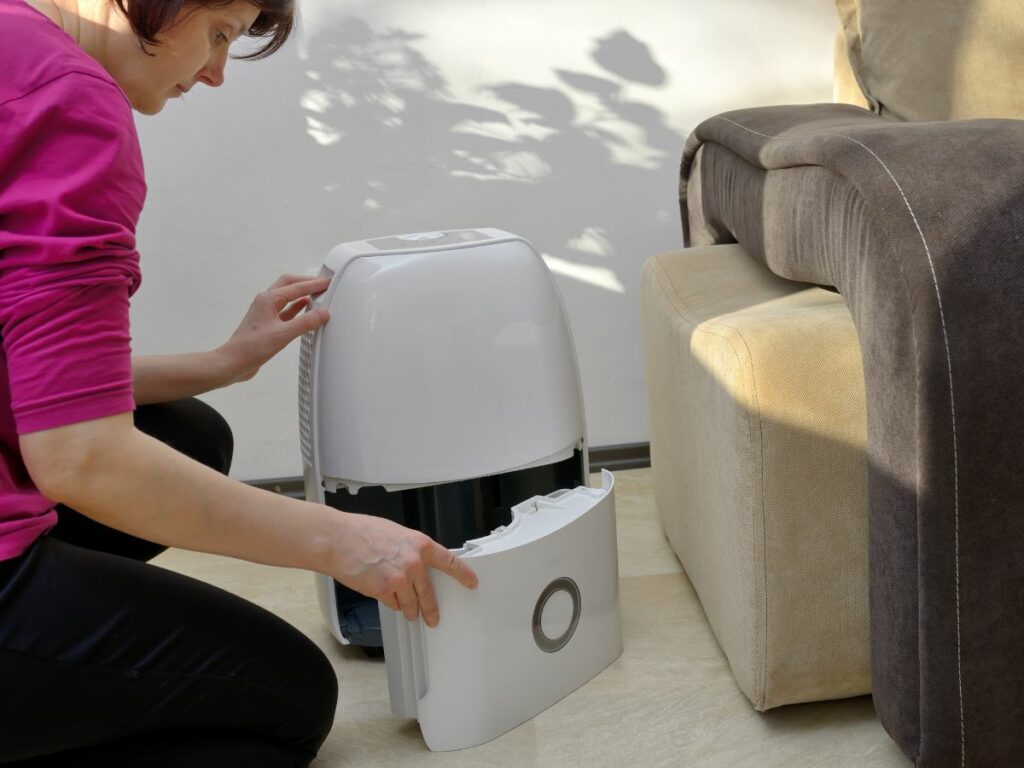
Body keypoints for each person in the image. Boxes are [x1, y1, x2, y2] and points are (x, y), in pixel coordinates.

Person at [0, 0, 479, 765]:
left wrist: (226, 362)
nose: (218, 73)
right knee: (288, 704)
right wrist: (345, 541)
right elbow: (81, 458)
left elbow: (37, 384)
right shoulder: (69, 100)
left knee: (190, 433)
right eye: (219, 33)